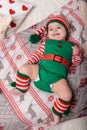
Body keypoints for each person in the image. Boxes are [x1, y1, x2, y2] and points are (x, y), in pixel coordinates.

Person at [10, 15, 83, 125]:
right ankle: (21, 88)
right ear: (47, 34)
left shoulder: (71, 45)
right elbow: (37, 55)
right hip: (40, 71)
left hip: (57, 80)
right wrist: (28, 64)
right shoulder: (46, 43)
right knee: (24, 68)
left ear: (66, 31)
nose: (55, 30)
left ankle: (56, 112)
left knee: (67, 95)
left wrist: (77, 52)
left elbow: (77, 61)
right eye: (51, 29)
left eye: (59, 27)